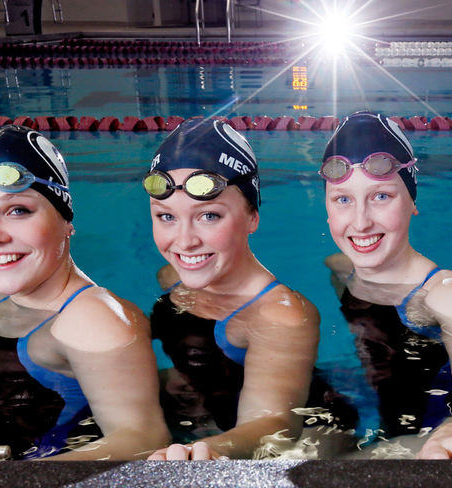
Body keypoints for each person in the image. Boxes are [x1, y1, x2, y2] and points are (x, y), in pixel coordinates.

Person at [0, 125, 169, 461]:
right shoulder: (2, 285)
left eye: (18, 210)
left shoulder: (94, 318)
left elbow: (143, 441)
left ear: (67, 222)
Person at [145, 117, 357, 460]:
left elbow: (273, 422)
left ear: (252, 217)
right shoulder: (173, 277)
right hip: (214, 412)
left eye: (209, 216)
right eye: (166, 217)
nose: (184, 241)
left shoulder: (281, 314)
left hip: (311, 431)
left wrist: (207, 449)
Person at [322, 111, 452, 459]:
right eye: (343, 199)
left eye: (381, 197)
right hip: (379, 416)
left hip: (437, 437)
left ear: (412, 201)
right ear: (327, 208)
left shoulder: (448, 296)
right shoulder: (341, 271)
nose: (361, 222)